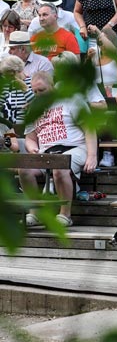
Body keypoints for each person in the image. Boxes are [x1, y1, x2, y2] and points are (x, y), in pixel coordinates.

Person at [18, 70, 97, 228]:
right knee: (24, 169)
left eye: (42, 90)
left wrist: (92, 155)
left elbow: (89, 128)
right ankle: (34, 213)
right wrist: (32, 148)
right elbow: (30, 137)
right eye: (34, 91)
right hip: (46, 152)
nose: (38, 94)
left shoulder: (71, 100)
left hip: (74, 148)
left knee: (59, 167)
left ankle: (65, 214)